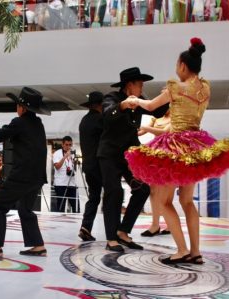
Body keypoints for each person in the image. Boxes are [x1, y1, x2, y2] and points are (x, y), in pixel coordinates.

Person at [125, 37, 229, 264]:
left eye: (177, 65)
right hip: (196, 145)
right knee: (187, 201)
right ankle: (195, 252)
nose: (176, 69)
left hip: (175, 146)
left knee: (164, 201)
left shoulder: (175, 87)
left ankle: (181, 250)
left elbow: (150, 106)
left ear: (183, 66)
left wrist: (135, 100)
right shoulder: (205, 88)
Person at [0, 87, 50, 260]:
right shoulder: (38, 124)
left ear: (22, 107)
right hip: (37, 177)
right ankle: (38, 245)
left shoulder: (19, 122)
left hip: (23, 175)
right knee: (25, 209)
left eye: (18, 104)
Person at [98, 67, 169, 252]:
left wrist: (169, 96)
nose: (142, 88)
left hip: (129, 156)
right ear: (129, 85)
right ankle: (111, 238)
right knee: (114, 192)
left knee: (142, 189)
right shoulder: (111, 98)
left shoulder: (140, 100)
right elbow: (107, 115)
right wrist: (123, 105)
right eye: (139, 84)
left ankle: (123, 231)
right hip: (110, 155)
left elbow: (158, 112)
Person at [138, 110, 172, 236]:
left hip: (169, 154)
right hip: (155, 154)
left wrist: (144, 127)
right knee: (153, 191)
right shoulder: (156, 118)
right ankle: (155, 224)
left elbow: (164, 132)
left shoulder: (176, 115)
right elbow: (141, 132)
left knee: (167, 194)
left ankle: (169, 224)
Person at [78, 91, 104, 241]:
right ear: (101, 105)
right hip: (101, 164)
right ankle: (115, 231)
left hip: (88, 164)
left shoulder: (84, 120)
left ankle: (86, 226)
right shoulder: (101, 119)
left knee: (94, 197)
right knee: (113, 195)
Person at [52, 136, 79, 213]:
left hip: (72, 183)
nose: (68, 147)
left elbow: (74, 169)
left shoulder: (73, 153)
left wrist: (75, 162)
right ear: (62, 144)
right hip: (60, 184)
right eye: (66, 144)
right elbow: (57, 167)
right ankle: (60, 223)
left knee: (76, 207)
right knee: (61, 207)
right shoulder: (57, 153)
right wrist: (65, 156)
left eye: (70, 145)